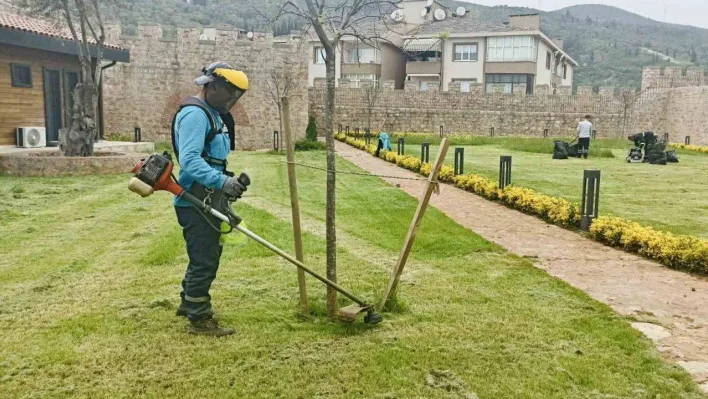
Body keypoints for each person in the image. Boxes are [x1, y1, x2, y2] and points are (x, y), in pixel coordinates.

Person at [170, 61, 249, 337]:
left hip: (208, 197)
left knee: (204, 254)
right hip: (194, 199)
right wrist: (222, 181)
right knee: (205, 258)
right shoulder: (195, 115)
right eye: (230, 93)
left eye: (237, 95)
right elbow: (190, 160)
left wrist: (228, 182)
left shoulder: (213, 114)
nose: (232, 100)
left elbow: (212, 159)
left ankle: (187, 302)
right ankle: (200, 318)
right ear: (211, 86)